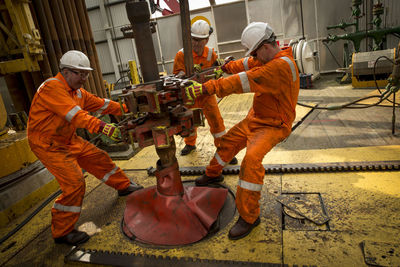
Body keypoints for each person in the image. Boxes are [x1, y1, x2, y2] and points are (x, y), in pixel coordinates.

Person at [185, 22, 300, 240]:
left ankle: (249, 217)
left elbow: (240, 82)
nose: (255, 56)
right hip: (257, 118)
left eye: (257, 52)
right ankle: (212, 175)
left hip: (274, 125)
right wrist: (225, 67)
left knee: (250, 162)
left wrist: (206, 88)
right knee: (227, 142)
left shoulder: (280, 67)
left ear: (265, 46)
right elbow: (247, 63)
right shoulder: (273, 55)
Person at [27, 50, 143, 245]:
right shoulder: (52, 88)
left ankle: (123, 186)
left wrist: (129, 108)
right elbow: (77, 116)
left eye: (86, 74)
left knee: (99, 158)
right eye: (80, 74)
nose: (84, 78)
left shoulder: (77, 92)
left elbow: (101, 104)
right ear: (65, 72)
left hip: (67, 139)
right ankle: (62, 232)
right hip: (48, 144)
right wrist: (104, 128)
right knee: (75, 183)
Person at [173, 19, 237, 165]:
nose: (196, 43)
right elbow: (176, 75)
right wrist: (184, 73)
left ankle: (223, 150)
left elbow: (217, 72)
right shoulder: (182, 55)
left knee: (216, 121)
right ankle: (190, 144)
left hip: (206, 93)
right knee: (189, 121)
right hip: (190, 95)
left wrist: (219, 70)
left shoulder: (211, 54)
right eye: (194, 39)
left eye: (200, 40)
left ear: (207, 39)